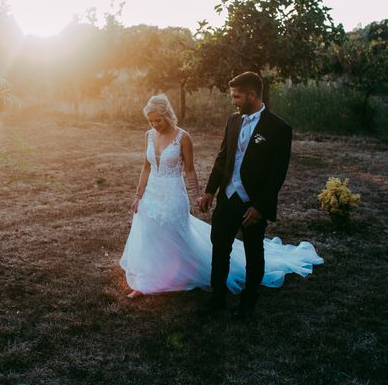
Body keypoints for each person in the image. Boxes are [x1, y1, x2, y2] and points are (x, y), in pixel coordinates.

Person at [120, 91, 323, 312]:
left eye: (157, 120)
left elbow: (190, 170)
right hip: (152, 193)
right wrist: (138, 195)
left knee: (175, 233)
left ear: (167, 116)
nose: (154, 124)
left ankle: (182, 275)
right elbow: (146, 167)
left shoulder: (183, 137)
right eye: (151, 121)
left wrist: (199, 193)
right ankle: (147, 280)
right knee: (150, 234)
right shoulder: (149, 135)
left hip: (172, 193)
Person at [199, 71, 297, 318]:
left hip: (252, 204)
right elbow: (223, 158)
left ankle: (248, 301)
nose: (234, 101)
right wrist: (211, 191)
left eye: (237, 96)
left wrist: (261, 207)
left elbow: (277, 174)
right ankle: (217, 297)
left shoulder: (279, 128)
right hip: (227, 198)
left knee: (254, 253)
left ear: (253, 95)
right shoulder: (233, 121)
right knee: (219, 248)